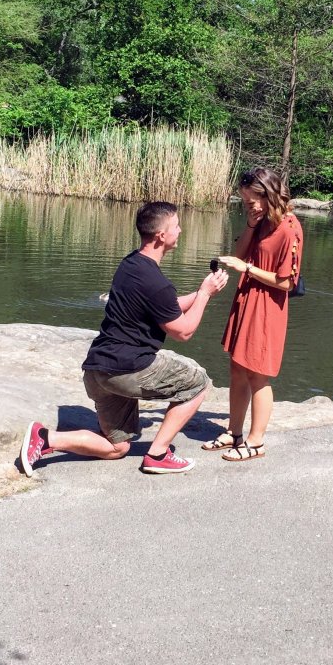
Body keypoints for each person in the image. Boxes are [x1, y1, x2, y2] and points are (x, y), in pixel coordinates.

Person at [20, 201, 229, 475]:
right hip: (126, 371)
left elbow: (165, 305)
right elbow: (184, 331)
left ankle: (46, 438)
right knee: (198, 384)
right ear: (161, 236)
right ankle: (158, 454)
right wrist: (204, 294)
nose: (180, 229)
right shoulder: (155, 282)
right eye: (176, 225)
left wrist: (203, 292)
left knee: (117, 448)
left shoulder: (130, 263)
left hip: (97, 372)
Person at [206, 167, 304, 461]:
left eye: (253, 202)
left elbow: (287, 282)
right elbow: (241, 252)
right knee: (237, 369)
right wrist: (250, 223)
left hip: (268, 307)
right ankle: (234, 432)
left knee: (258, 375)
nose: (251, 206)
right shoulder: (261, 221)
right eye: (246, 202)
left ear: (269, 194)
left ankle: (256, 442)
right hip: (247, 299)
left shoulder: (289, 228)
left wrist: (247, 269)